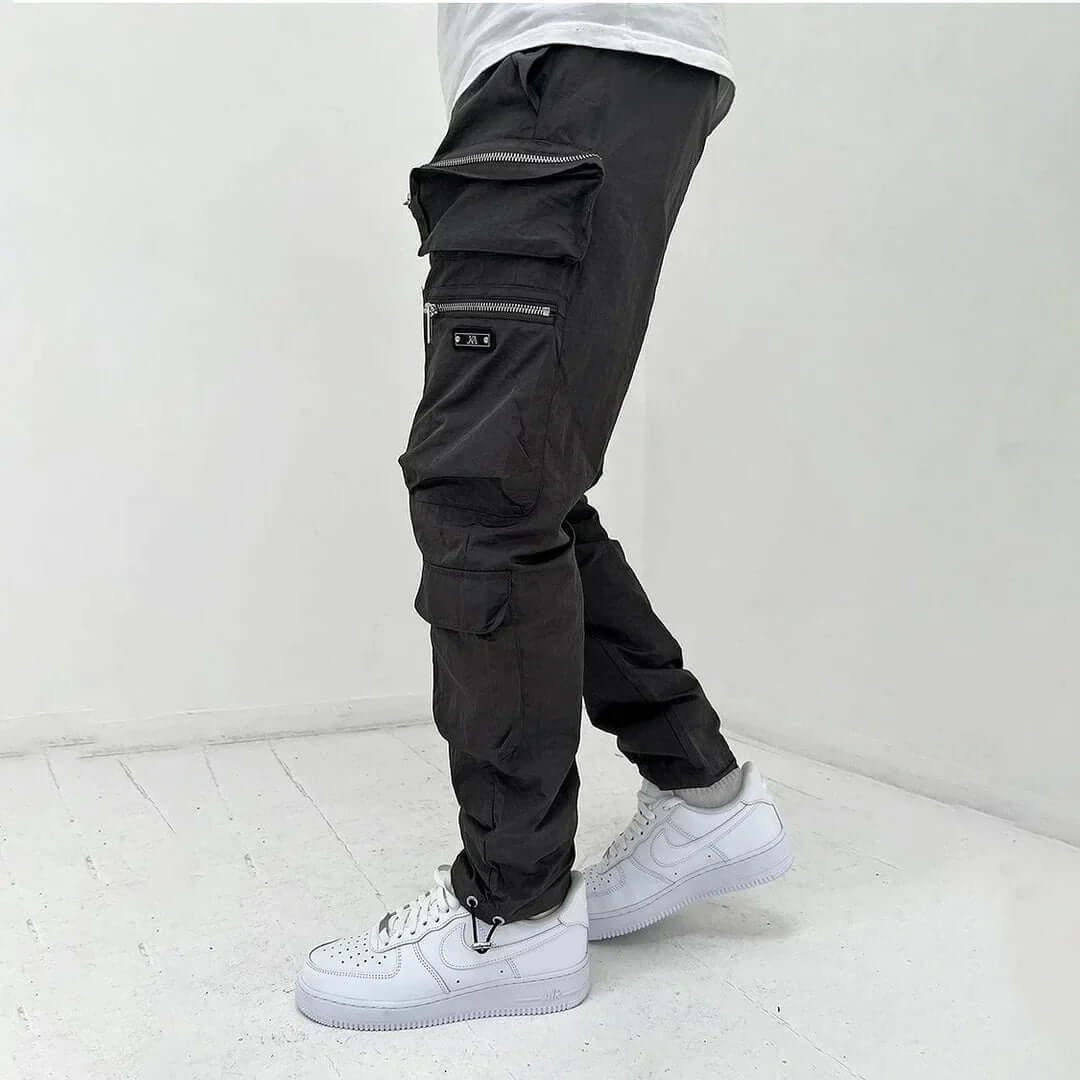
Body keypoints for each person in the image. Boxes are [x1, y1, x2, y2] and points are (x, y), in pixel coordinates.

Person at [296, 3, 791, 1029]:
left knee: (484, 496)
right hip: (579, 71)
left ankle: (512, 915)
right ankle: (699, 791)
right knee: (526, 485)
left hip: (564, 66)